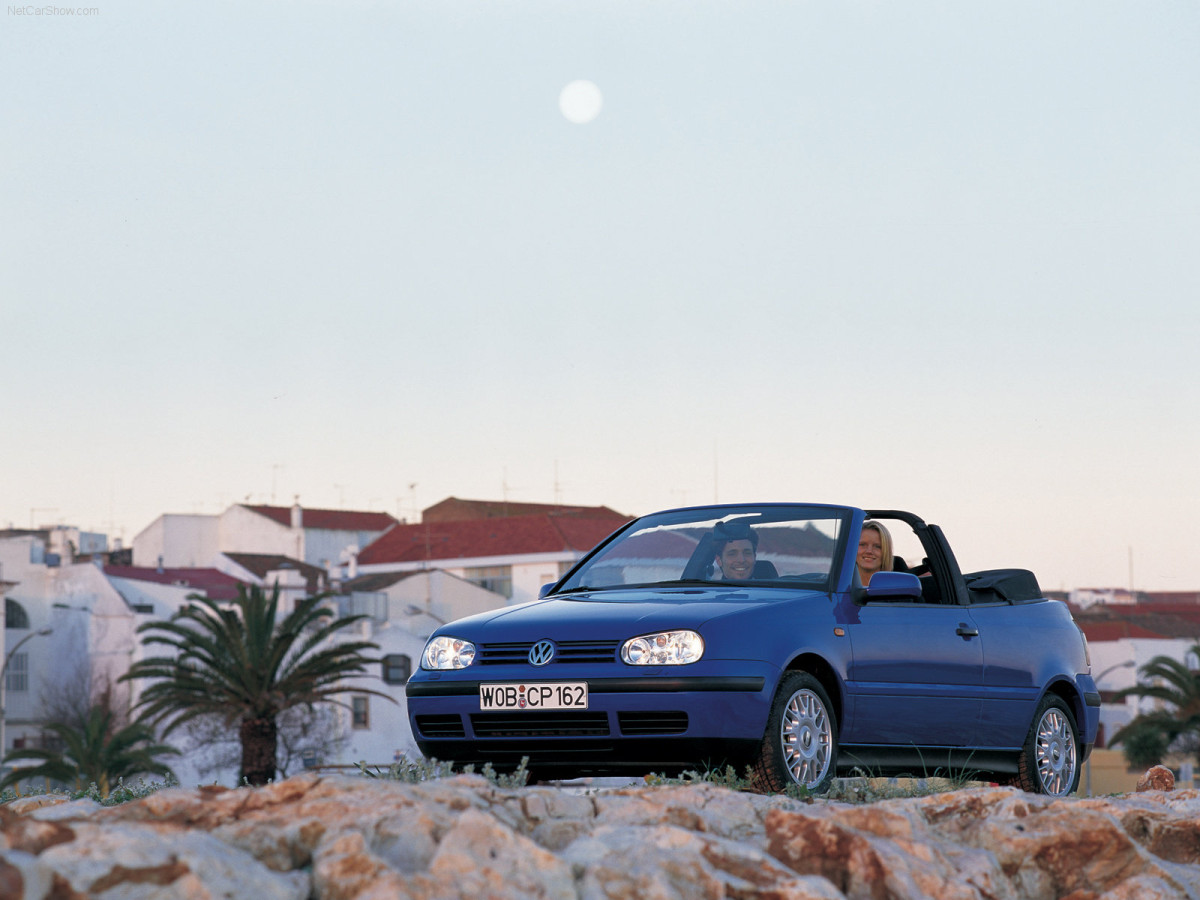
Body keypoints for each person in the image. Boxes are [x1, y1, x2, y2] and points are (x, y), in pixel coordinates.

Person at [857, 520, 894, 586]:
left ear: (886, 552)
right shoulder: (835, 587)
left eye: (877, 546)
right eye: (862, 544)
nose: (869, 551)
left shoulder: (896, 590)